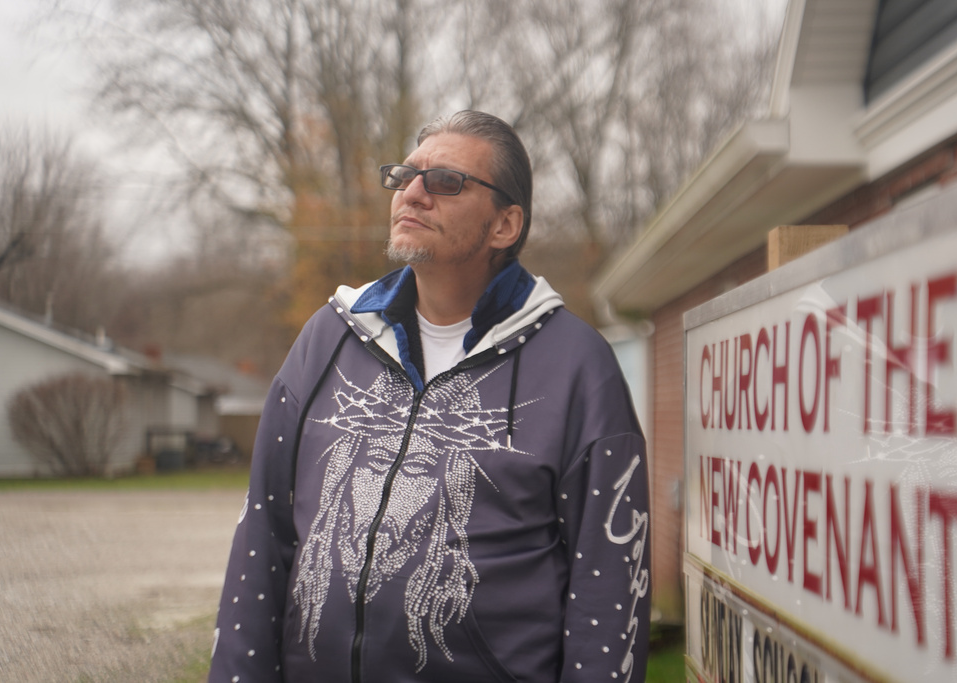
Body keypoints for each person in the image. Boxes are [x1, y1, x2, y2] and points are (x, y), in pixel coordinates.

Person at [208, 110, 650, 683]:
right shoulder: (330, 338)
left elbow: (608, 592)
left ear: (504, 225)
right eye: (405, 176)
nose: (412, 194)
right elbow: (263, 534)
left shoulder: (577, 367)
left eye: (445, 182)